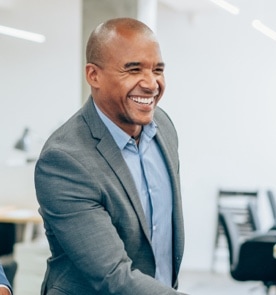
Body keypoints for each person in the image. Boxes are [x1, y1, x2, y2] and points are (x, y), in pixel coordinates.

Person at [34, 18, 186, 294]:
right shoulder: (65, 160)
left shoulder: (163, 127)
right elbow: (113, 277)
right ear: (94, 75)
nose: (151, 84)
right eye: (133, 69)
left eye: (158, 70)